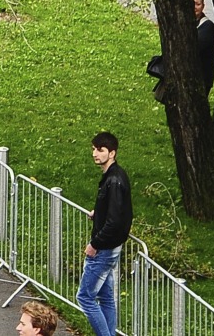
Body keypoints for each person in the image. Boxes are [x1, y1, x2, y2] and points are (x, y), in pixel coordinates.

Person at [78, 131, 131, 336]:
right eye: (93, 149)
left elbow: (115, 221)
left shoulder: (114, 180)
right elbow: (114, 211)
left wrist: (95, 244)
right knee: (106, 297)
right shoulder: (113, 177)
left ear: (112, 153)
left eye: (100, 150)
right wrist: (98, 212)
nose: (95, 153)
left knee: (85, 297)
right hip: (111, 246)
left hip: (104, 248)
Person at [193, 0, 214, 91]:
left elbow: (194, 48)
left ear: (203, 6)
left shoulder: (207, 27)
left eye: (198, 4)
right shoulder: (185, 23)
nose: (194, 7)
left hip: (202, 78)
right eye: (192, 3)